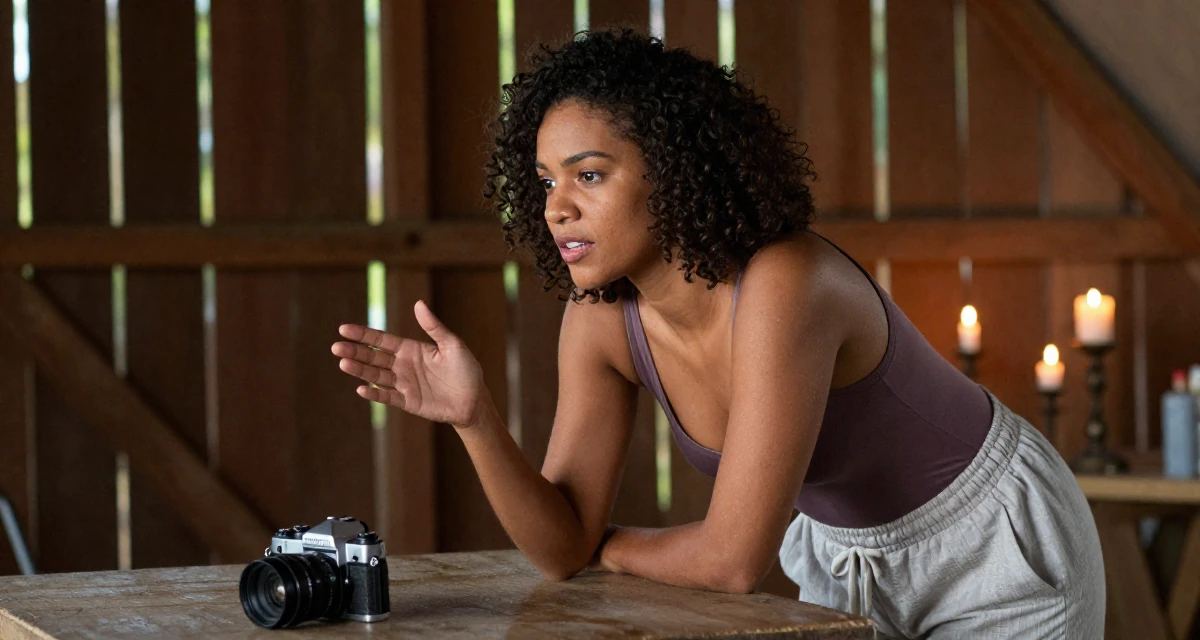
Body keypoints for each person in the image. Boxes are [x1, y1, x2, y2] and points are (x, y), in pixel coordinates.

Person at [331, 29, 1104, 638]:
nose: (556, 207)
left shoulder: (787, 282)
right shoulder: (599, 322)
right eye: (545, 181)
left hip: (989, 543)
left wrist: (608, 546)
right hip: (845, 558)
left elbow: (732, 561)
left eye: (589, 174)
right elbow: (560, 549)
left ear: (673, 170)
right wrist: (475, 420)